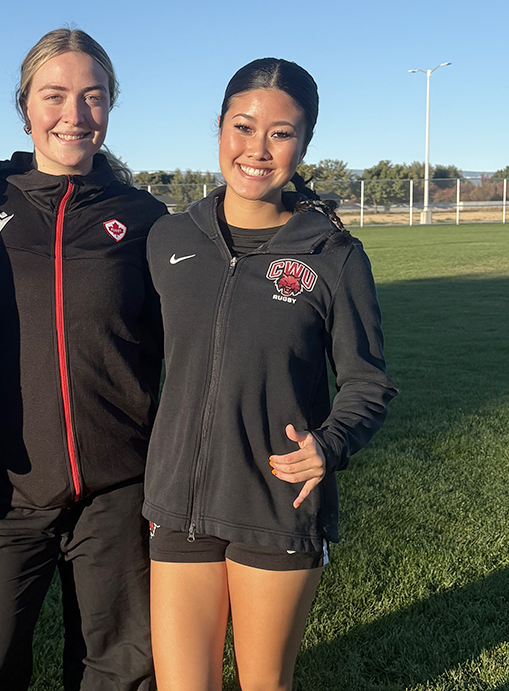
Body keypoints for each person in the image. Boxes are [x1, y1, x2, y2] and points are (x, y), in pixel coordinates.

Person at [142, 58, 399, 691]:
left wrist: (329, 445)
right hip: (180, 504)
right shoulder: (170, 239)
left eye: (281, 133)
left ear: (304, 143)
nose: (257, 149)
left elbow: (368, 381)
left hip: (276, 503)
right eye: (243, 126)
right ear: (220, 129)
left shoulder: (333, 255)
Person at [0, 29, 168, 691]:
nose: (75, 114)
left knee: (118, 672)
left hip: (119, 489)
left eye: (93, 97)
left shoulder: (144, 216)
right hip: (8, 487)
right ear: (26, 106)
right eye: (55, 95)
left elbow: (184, 341)